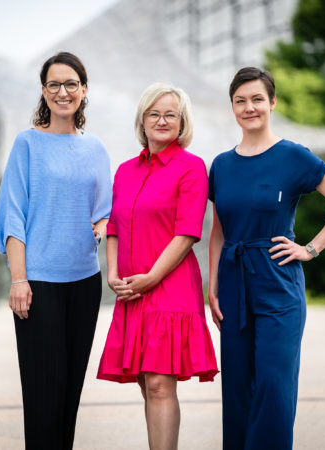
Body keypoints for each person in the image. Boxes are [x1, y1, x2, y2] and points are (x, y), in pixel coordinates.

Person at [208, 67, 325, 449]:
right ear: (232, 107)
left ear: (272, 102)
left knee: (274, 387)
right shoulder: (221, 165)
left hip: (278, 284)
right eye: (240, 101)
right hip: (233, 284)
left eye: (257, 99)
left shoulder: (293, 156)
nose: (249, 107)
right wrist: (213, 287)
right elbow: (219, 232)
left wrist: (310, 248)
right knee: (238, 389)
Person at [0, 51, 112, 449]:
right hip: (38, 284)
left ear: (84, 89)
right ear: (44, 91)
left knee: (68, 398)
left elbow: (107, 209)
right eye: (55, 84)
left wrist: (102, 225)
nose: (63, 92)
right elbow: (13, 216)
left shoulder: (96, 148)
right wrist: (19, 279)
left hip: (85, 282)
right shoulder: (27, 144)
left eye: (71, 84)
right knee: (44, 395)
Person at [97, 83, 218, 449]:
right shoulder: (125, 171)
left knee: (160, 384)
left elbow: (187, 233)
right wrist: (113, 274)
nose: (162, 121)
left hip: (170, 287)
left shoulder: (191, 168)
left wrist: (150, 278)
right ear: (143, 120)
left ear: (182, 122)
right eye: (154, 114)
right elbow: (114, 228)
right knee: (145, 384)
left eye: (170, 114)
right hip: (131, 290)